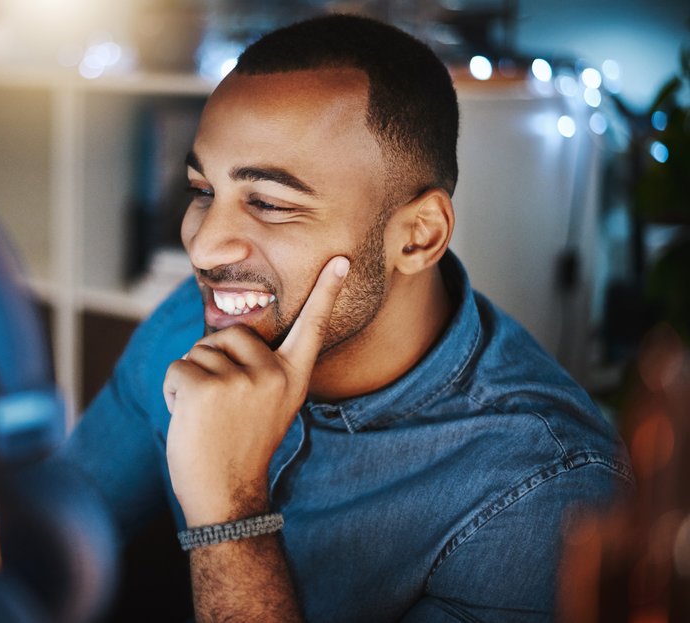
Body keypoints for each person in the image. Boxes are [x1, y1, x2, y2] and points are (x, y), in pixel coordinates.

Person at [58, 13, 633, 622]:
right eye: (204, 191)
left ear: (417, 237)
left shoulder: (546, 492)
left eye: (270, 203)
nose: (202, 249)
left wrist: (230, 511)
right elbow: (62, 525)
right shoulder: (196, 320)